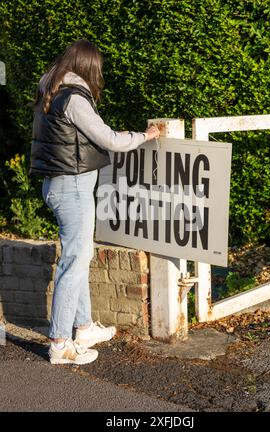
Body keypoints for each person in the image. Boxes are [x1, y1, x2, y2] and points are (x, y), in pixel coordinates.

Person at [30, 38, 160, 365]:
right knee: (73, 264)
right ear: (87, 67)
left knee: (79, 255)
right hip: (72, 189)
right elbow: (108, 139)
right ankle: (60, 344)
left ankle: (84, 327)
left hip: (59, 185)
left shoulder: (51, 88)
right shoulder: (73, 98)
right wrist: (146, 136)